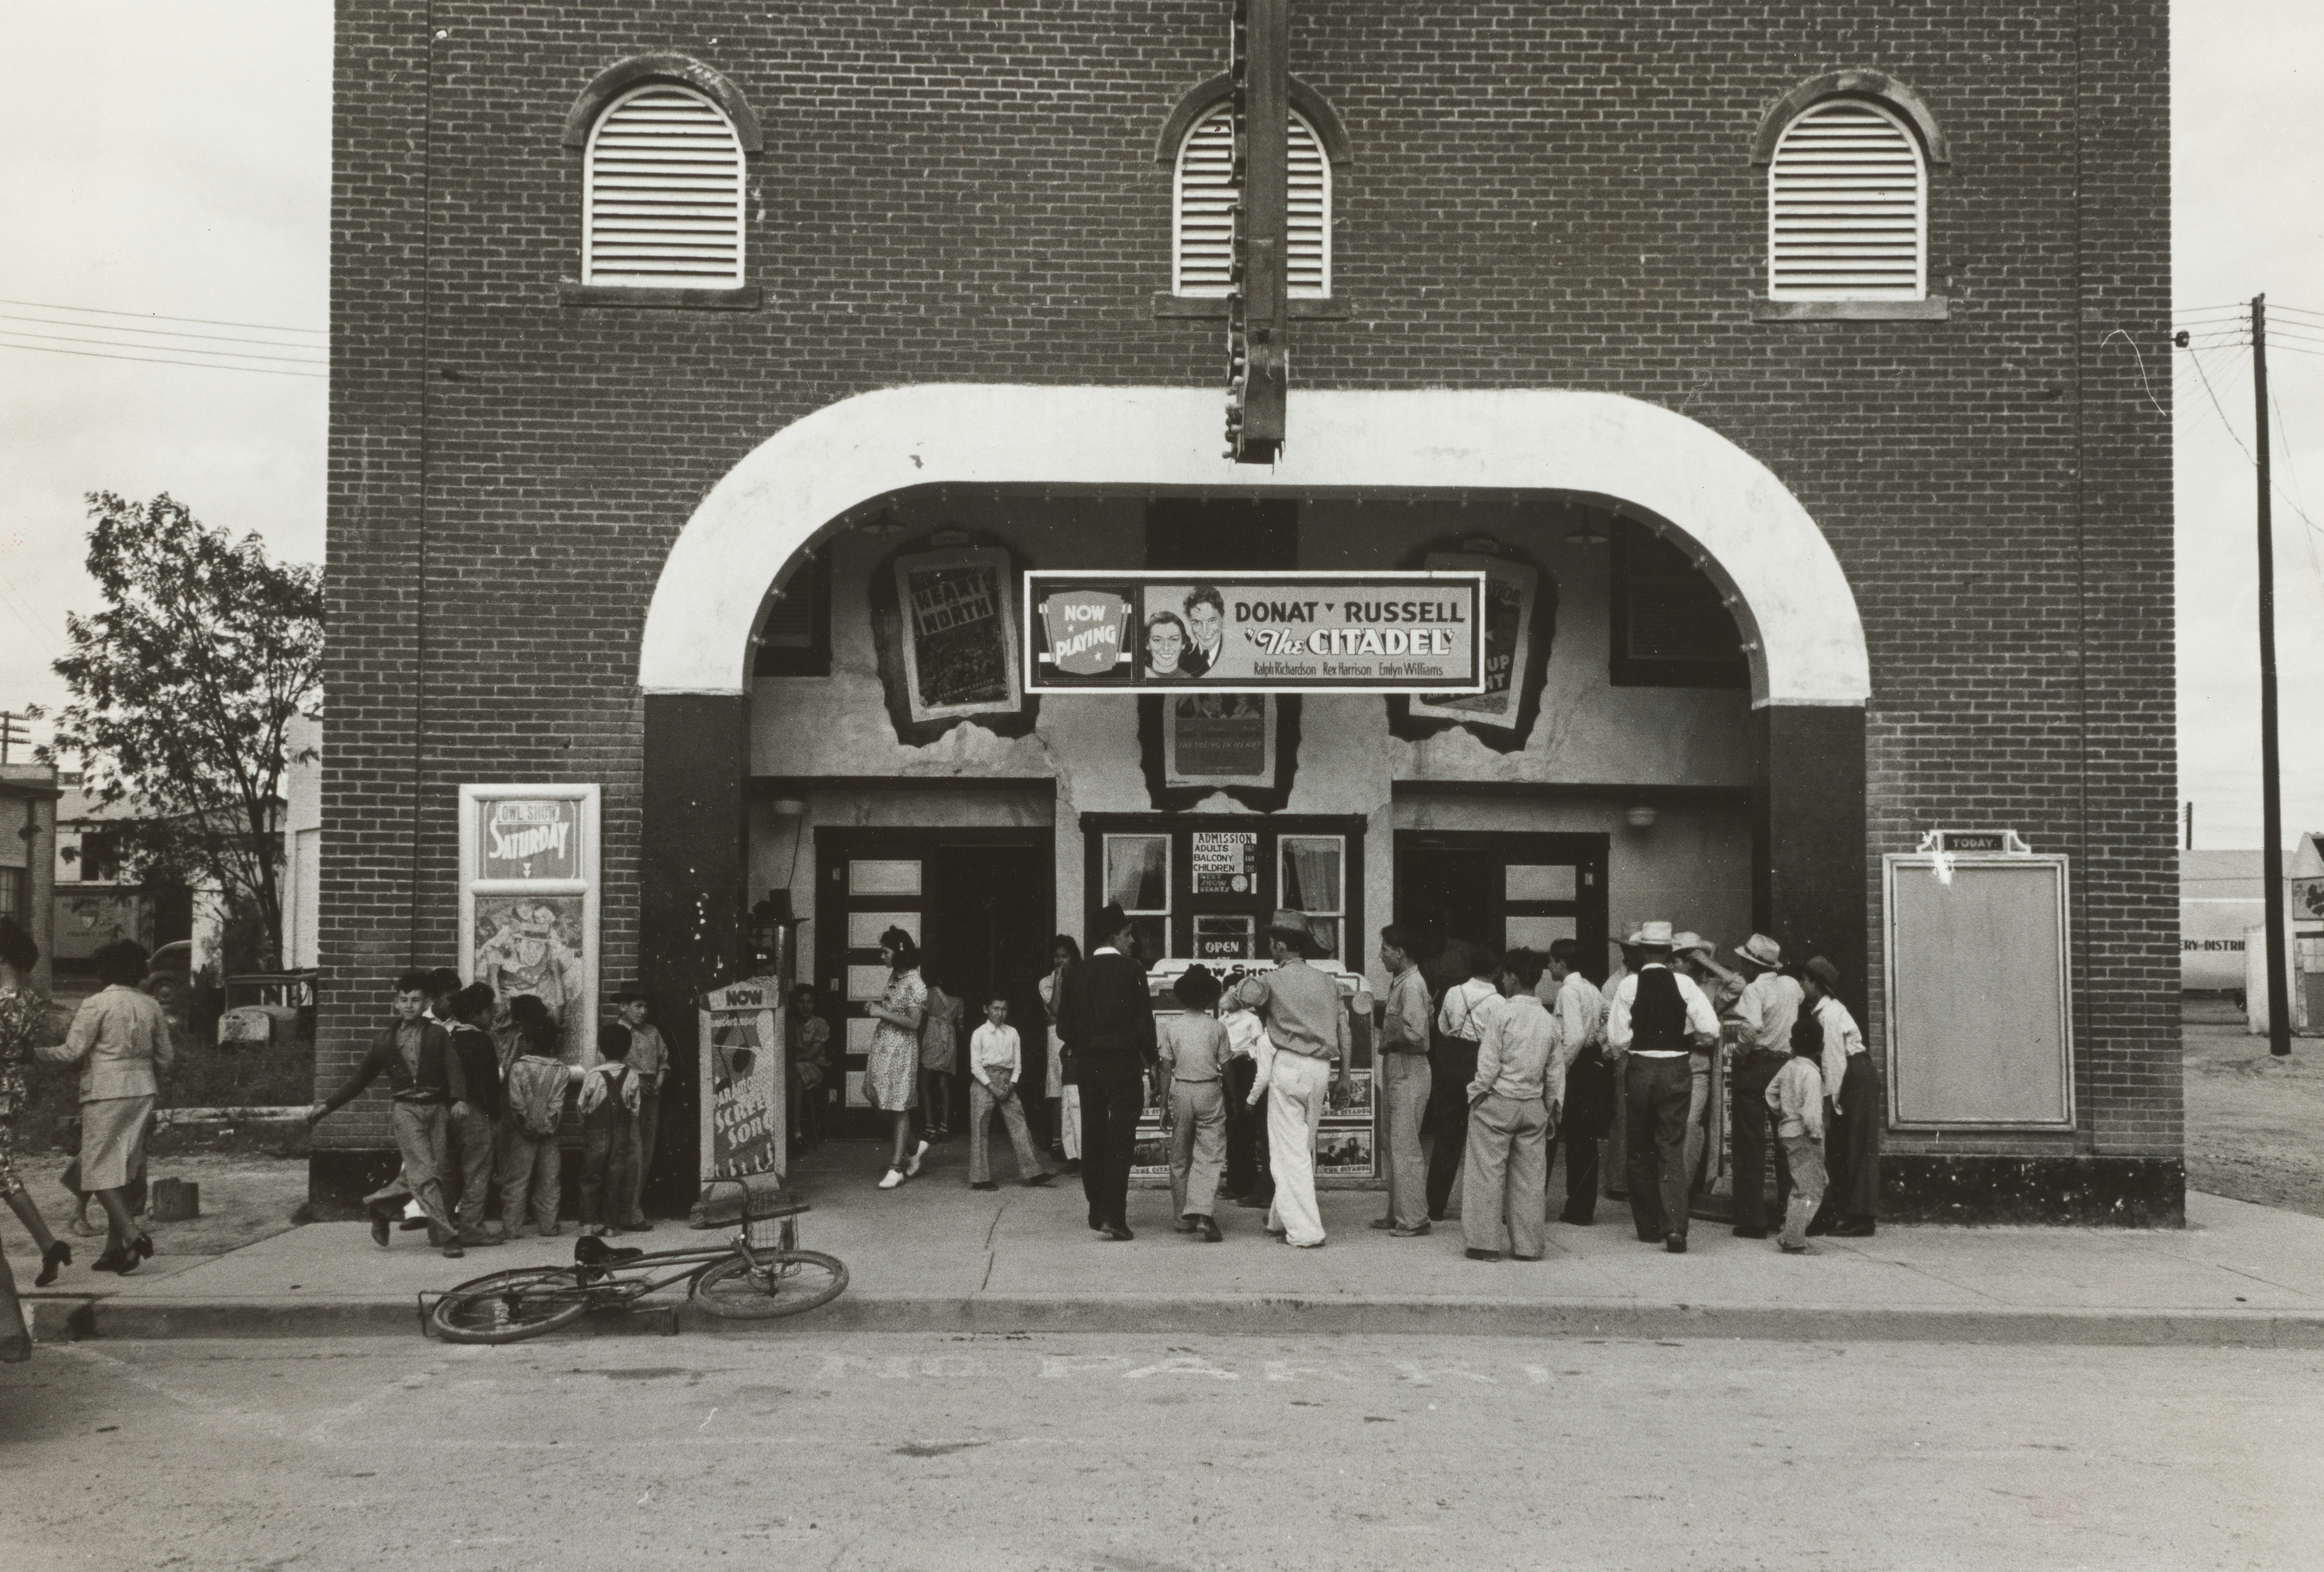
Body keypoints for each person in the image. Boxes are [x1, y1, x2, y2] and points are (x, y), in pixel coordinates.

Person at [308, 967, 464, 1257]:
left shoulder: (439, 1035)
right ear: (396, 1003)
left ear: (428, 1003)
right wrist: (327, 1107)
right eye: (403, 999)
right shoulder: (385, 1041)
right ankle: (448, 1236)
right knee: (426, 1176)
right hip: (406, 1111)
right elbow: (359, 1080)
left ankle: (380, 1207)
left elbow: (454, 1068)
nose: (409, 1005)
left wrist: (458, 1100)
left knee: (430, 1173)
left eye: (415, 1000)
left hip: (437, 1111)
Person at [39, 938, 172, 1274]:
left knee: (98, 1172)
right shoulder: (151, 1005)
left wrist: (34, 1054)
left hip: (105, 1092)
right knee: (124, 1171)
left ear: (105, 970)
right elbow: (167, 1058)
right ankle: (114, 1251)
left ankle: (133, 1236)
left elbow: (72, 1052)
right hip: (143, 1090)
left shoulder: (96, 1004)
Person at [1224, 911, 1347, 1250]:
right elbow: (1344, 1031)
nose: (1270, 950)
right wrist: (1346, 1075)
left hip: (1289, 1066)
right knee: (1302, 1146)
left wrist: (1243, 992)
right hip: (1321, 1070)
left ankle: (1305, 1230)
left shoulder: (1271, 981)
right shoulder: (1328, 983)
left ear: (1281, 946)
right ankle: (1280, 1217)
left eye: (1271, 945)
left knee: (1286, 1153)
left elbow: (1233, 999)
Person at [1603, 922, 1719, 1253]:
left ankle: (1649, 1227)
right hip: (1677, 1068)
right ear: (1670, 952)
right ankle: (1675, 1228)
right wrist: (1686, 1037)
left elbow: (1617, 1039)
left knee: (1640, 1148)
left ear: (1641, 951)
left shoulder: (1628, 985)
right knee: (1671, 1147)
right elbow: (1710, 1029)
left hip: (1640, 1067)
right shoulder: (1685, 984)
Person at [1053, 904, 1156, 1241]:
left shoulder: (1077, 973)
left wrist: (1087, 1041)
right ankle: (1114, 1215)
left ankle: (1097, 1209)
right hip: (1125, 1063)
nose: (1133, 942)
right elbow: (1144, 1024)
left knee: (1093, 1135)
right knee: (1121, 1140)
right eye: (1129, 936)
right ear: (1114, 936)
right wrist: (1152, 1061)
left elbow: (1064, 1027)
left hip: (1089, 1064)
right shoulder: (1132, 970)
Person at [1462, 948, 1563, 1262]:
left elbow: (1489, 1065)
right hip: (1533, 1106)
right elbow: (1555, 1073)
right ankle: (1529, 1247)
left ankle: (1485, 1244)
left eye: (1505, 975)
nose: (1503, 980)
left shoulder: (1502, 1015)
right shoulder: (1549, 1021)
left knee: (1486, 1174)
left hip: (1498, 1102)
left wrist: (1476, 1093)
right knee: (1530, 1181)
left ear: (1514, 979)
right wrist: (1553, 1109)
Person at [0, 917, 70, 1287]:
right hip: (11, 1088)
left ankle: (49, 1243)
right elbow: (26, 1053)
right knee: (3, 1170)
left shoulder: (1, 1002)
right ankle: (49, 1244)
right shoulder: (29, 1002)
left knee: (4, 1173)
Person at [1726, 934, 1805, 1240]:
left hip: (1757, 1064)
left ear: (1750, 964)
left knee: (1750, 1142)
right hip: (1785, 1064)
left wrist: (1741, 1053)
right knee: (1787, 1139)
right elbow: (1798, 1003)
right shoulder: (1792, 986)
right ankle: (1790, 1213)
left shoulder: (1753, 991)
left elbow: (1751, 1028)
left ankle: (1752, 1219)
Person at [1800, 957, 1880, 1237]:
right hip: (1850, 1076)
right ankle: (1839, 1213)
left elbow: (1835, 1063)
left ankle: (1863, 1218)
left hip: (1855, 1075)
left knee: (1857, 1145)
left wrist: (1830, 1106)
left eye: (1804, 980)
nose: (1801, 985)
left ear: (1815, 984)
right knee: (1844, 1148)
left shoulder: (1831, 1015)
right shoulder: (1821, 1013)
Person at [1428, 944, 1504, 1223]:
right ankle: (1482, 1206)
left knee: (1447, 1136)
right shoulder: (1499, 1003)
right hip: (1479, 1064)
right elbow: (1499, 1042)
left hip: (1450, 1064)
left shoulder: (1453, 993)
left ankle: (1435, 1204)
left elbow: (1442, 1026)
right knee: (1484, 1138)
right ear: (1497, 971)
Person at [1369, 924, 1433, 1238]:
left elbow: (1416, 1033)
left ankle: (1415, 1219)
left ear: (1400, 952)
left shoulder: (1412, 986)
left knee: (1405, 1147)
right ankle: (1398, 1214)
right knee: (1392, 1142)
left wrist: (1387, 1038)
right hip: (1398, 1066)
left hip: (1409, 1066)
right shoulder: (1404, 983)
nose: (1380, 955)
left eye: (1385, 949)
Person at [1157, 966, 1229, 1241]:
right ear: (1210, 998)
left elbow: (1166, 1069)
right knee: (1209, 1153)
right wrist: (1232, 1096)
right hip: (1210, 1089)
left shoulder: (1172, 1027)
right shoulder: (1217, 1027)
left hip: (1182, 1090)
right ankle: (1201, 1212)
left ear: (1182, 998)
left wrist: (1164, 1104)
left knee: (1180, 1154)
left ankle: (1181, 1218)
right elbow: (1227, 1066)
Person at [1543, 938, 1611, 1226]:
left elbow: (1573, 1038)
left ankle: (1534, 1203)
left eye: (1551, 962)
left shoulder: (1569, 993)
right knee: (1585, 1140)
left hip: (1574, 1067)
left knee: (1550, 1134)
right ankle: (1582, 1209)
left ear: (1562, 963)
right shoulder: (1592, 989)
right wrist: (1601, 1039)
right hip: (1592, 1065)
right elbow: (1613, 1015)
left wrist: (1561, 1071)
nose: (1549, 967)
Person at [965, 992, 1058, 1191]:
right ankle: (980, 1178)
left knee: (1020, 1125)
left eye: (1004, 1009)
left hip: (1008, 1083)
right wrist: (992, 1088)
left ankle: (1033, 1172)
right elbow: (976, 1067)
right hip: (984, 1082)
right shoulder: (979, 1034)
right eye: (996, 1009)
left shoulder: (1013, 1033)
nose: (1000, 1014)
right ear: (986, 1009)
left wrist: (1012, 1085)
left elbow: (1018, 1065)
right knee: (980, 1129)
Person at [498, 1001, 574, 1238]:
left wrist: (527, 1125)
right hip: (550, 1135)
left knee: (517, 1181)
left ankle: (512, 1227)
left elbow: (517, 1104)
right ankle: (549, 1225)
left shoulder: (519, 1068)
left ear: (528, 1041)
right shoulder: (561, 1070)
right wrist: (548, 1126)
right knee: (550, 1181)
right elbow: (557, 1103)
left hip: (523, 1134)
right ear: (554, 1042)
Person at [442, 979, 507, 1247]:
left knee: (449, 1173)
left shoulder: (450, 1038)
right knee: (478, 1171)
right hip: (475, 1114)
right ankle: (471, 1228)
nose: (493, 1015)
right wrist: (496, 1115)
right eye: (489, 1010)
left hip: (449, 1112)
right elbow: (488, 1086)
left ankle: (440, 1230)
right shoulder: (481, 1042)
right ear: (475, 1015)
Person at [864, 929, 930, 1189]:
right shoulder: (897, 975)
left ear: (900, 952)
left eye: (886, 952)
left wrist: (881, 1012)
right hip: (884, 1045)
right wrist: (879, 1010)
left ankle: (897, 1167)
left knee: (899, 1105)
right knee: (879, 1100)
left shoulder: (916, 983)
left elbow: (914, 1023)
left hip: (902, 1048)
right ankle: (914, 1147)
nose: (882, 956)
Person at [1767, 1010, 1829, 1253]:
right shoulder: (1812, 1074)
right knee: (1810, 1189)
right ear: (1822, 1047)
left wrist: (1783, 1112)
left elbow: (1771, 1092)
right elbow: (1813, 1114)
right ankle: (1793, 1239)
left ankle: (1790, 1234)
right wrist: (1816, 1134)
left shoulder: (1789, 1067)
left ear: (1792, 1044)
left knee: (1810, 1183)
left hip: (1789, 1132)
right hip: (1806, 1136)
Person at [1670, 932, 1727, 1199]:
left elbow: (1740, 986)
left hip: (1697, 1064)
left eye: (1679, 959)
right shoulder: (1665, 984)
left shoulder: (1712, 988)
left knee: (1691, 1125)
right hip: (1668, 1063)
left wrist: (1708, 961)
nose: (1673, 965)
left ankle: (1682, 1188)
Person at [576, 1022, 643, 1236]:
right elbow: (635, 1109)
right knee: (616, 1177)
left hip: (596, 1133)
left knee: (590, 1177)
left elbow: (582, 1105)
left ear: (601, 1050)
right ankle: (610, 1226)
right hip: (621, 1134)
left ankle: (588, 1225)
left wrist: (586, 1123)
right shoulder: (632, 1075)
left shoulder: (594, 1075)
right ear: (628, 1050)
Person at [612, 988, 667, 1226]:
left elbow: (664, 1061)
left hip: (651, 1094)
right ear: (623, 1007)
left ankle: (634, 1206)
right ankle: (624, 1211)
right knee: (628, 1151)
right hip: (627, 1095)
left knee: (645, 1150)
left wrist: (658, 1081)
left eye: (646, 1007)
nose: (643, 1012)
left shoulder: (652, 1033)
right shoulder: (615, 1033)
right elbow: (611, 1065)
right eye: (638, 1006)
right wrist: (635, 1082)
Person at [1599, 939, 1640, 1200]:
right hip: (1627, 1053)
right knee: (1625, 1118)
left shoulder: (1662, 975)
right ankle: (1619, 1183)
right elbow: (1607, 1021)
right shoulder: (1615, 983)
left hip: (1652, 1052)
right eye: (1629, 948)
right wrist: (1613, 1051)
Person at [1038, 937, 1082, 1174]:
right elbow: (1056, 1008)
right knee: (1057, 1085)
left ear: (1073, 956)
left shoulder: (1082, 976)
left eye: (1064, 956)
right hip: (1056, 1036)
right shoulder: (1046, 982)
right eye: (1057, 956)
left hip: (1076, 1034)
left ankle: (1079, 1146)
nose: (1060, 960)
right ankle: (1059, 1142)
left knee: (1076, 1087)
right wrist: (1059, 979)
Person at [919, 974, 963, 1140]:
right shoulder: (958, 1000)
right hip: (948, 1043)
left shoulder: (929, 993)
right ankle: (944, 1128)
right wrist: (949, 1023)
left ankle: (930, 1128)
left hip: (931, 1038)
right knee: (944, 1084)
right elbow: (961, 1028)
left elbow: (922, 1022)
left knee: (924, 1084)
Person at [790, 984, 832, 1152]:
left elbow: (812, 1055)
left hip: (815, 1067)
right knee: (792, 1077)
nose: (806, 1006)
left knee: (797, 1080)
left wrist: (790, 1058)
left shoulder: (820, 1024)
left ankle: (797, 1132)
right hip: (793, 1067)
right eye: (801, 1002)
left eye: (810, 1002)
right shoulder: (790, 1023)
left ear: (814, 1004)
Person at [1181, 585, 1226, 676]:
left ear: (1222, 618)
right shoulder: (1183, 666)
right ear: (1190, 621)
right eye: (1197, 623)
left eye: (1211, 621)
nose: (1205, 631)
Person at [1143, 612, 1193, 678]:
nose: (1166, 648)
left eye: (1174, 640)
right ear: (1147, 644)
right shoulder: (1140, 676)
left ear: (1183, 644)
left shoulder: (1189, 680)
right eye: (1158, 640)